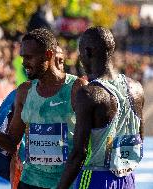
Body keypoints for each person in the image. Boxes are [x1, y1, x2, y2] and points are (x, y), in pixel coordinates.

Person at [0, 28, 86, 189]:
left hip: (66, 184)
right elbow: (11, 144)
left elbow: (86, 146)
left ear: (48, 55)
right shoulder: (24, 91)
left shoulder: (77, 88)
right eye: (22, 57)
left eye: (29, 57)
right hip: (30, 182)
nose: (23, 63)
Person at [57, 26, 144, 189]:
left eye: (80, 52)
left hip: (95, 178)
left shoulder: (89, 94)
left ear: (88, 52)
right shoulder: (136, 88)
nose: (80, 58)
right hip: (127, 178)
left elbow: (79, 153)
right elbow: (138, 139)